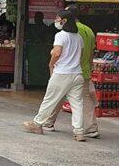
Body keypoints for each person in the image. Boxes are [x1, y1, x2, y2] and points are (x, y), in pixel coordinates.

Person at [23, 8, 86, 139]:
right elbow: (81, 56)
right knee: (77, 104)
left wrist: (51, 64)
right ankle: (79, 131)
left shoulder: (61, 36)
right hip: (77, 74)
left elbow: (57, 53)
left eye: (57, 19)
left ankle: (37, 123)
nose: (55, 21)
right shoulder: (78, 37)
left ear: (64, 21)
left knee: (49, 100)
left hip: (62, 73)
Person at [44, 14, 99, 138]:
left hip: (67, 71)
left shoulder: (70, 32)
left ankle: (47, 122)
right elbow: (90, 53)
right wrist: (89, 67)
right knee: (83, 100)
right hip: (82, 71)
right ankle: (90, 128)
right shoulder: (89, 30)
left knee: (57, 96)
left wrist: (51, 64)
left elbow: (58, 52)